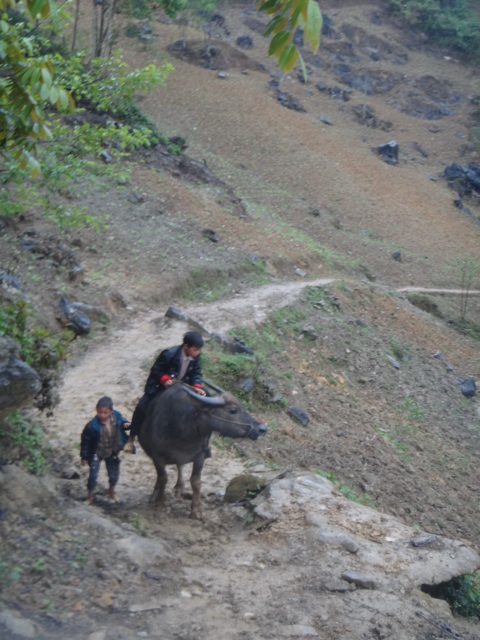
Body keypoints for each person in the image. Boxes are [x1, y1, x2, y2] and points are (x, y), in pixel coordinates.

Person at [124, 330, 206, 454]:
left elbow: (196, 372)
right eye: (195, 349)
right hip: (160, 387)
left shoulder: (195, 357)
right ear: (186, 346)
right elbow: (156, 369)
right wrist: (164, 379)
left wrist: (197, 386)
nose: (197, 352)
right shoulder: (169, 354)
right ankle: (131, 439)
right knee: (142, 407)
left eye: (198, 350)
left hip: (180, 388)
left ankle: (198, 442)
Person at [80, 396, 131, 505]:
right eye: (100, 412)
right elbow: (85, 442)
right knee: (93, 476)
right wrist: (84, 457)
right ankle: (90, 497)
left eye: (105, 413)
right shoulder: (92, 426)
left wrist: (126, 425)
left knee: (114, 474)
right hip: (96, 453)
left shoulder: (117, 417)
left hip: (112, 451)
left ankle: (111, 491)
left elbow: (123, 425)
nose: (102, 415)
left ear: (111, 411)